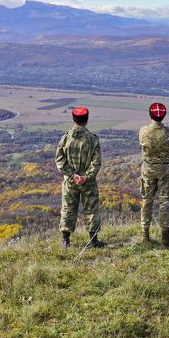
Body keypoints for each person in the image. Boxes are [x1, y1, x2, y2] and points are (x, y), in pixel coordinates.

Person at [55, 106, 105, 248]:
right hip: (88, 183)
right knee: (91, 210)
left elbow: (59, 160)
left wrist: (72, 175)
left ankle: (65, 240)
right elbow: (96, 163)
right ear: (86, 120)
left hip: (70, 182)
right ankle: (93, 240)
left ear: (73, 120)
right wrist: (85, 177)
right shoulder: (92, 140)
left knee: (68, 209)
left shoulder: (65, 139)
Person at [138, 102, 169, 246]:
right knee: (164, 201)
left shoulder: (143, 131)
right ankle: (165, 236)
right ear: (164, 116)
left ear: (150, 115)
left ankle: (145, 235)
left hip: (148, 169)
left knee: (146, 201)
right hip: (165, 170)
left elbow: (142, 143)